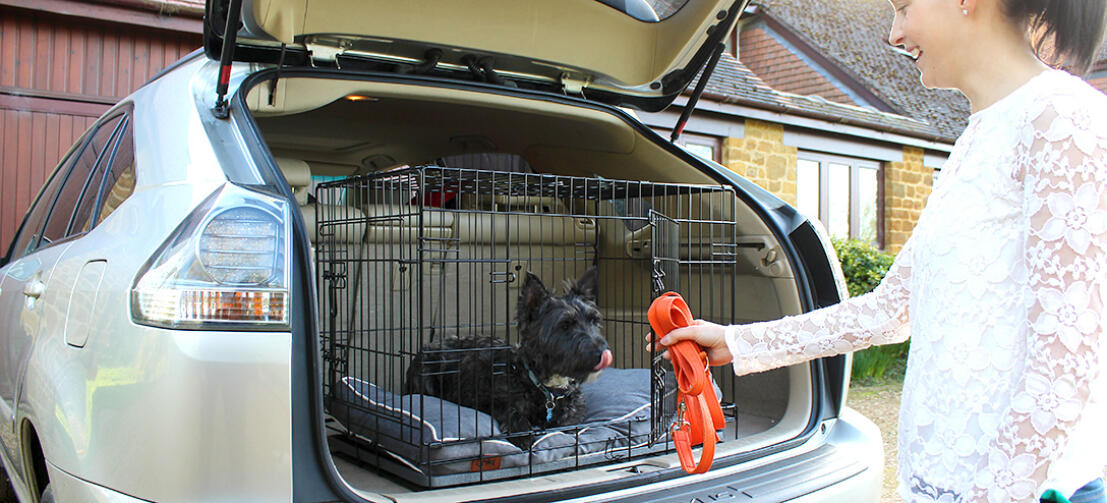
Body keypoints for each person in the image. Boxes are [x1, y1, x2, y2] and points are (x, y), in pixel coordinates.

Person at [648, 0, 1107, 501]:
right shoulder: (978, 136)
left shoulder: (1063, 117)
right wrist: (738, 342)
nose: (894, 34)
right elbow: (889, 311)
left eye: (904, 7)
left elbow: (1066, 358)